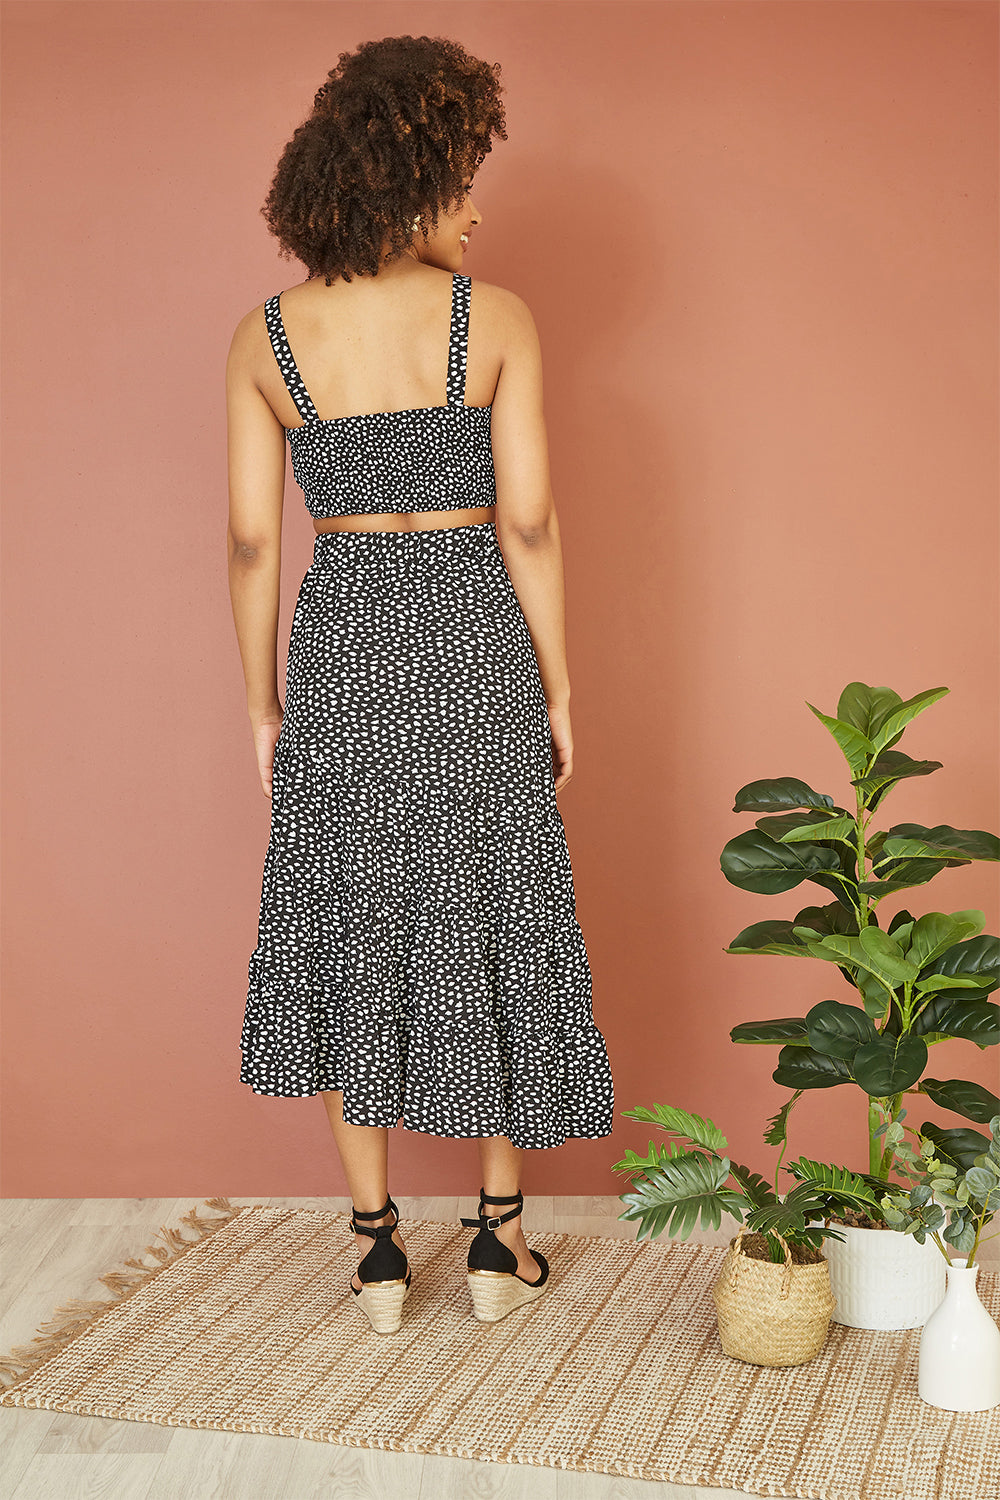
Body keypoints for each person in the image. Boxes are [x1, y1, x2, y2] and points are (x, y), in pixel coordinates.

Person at [226, 34, 614, 1334]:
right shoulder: (492, 321)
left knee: (351, 919)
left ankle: (379, 1255)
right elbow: (533, 521)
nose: (477, 209)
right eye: (462, 178)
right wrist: (558, 687)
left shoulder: (266, 338)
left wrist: (263, 705)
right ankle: (500, 1245)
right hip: (471, 634)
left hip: (342, 643)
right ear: (407, 181)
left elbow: (250, 544)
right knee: (498, 909)